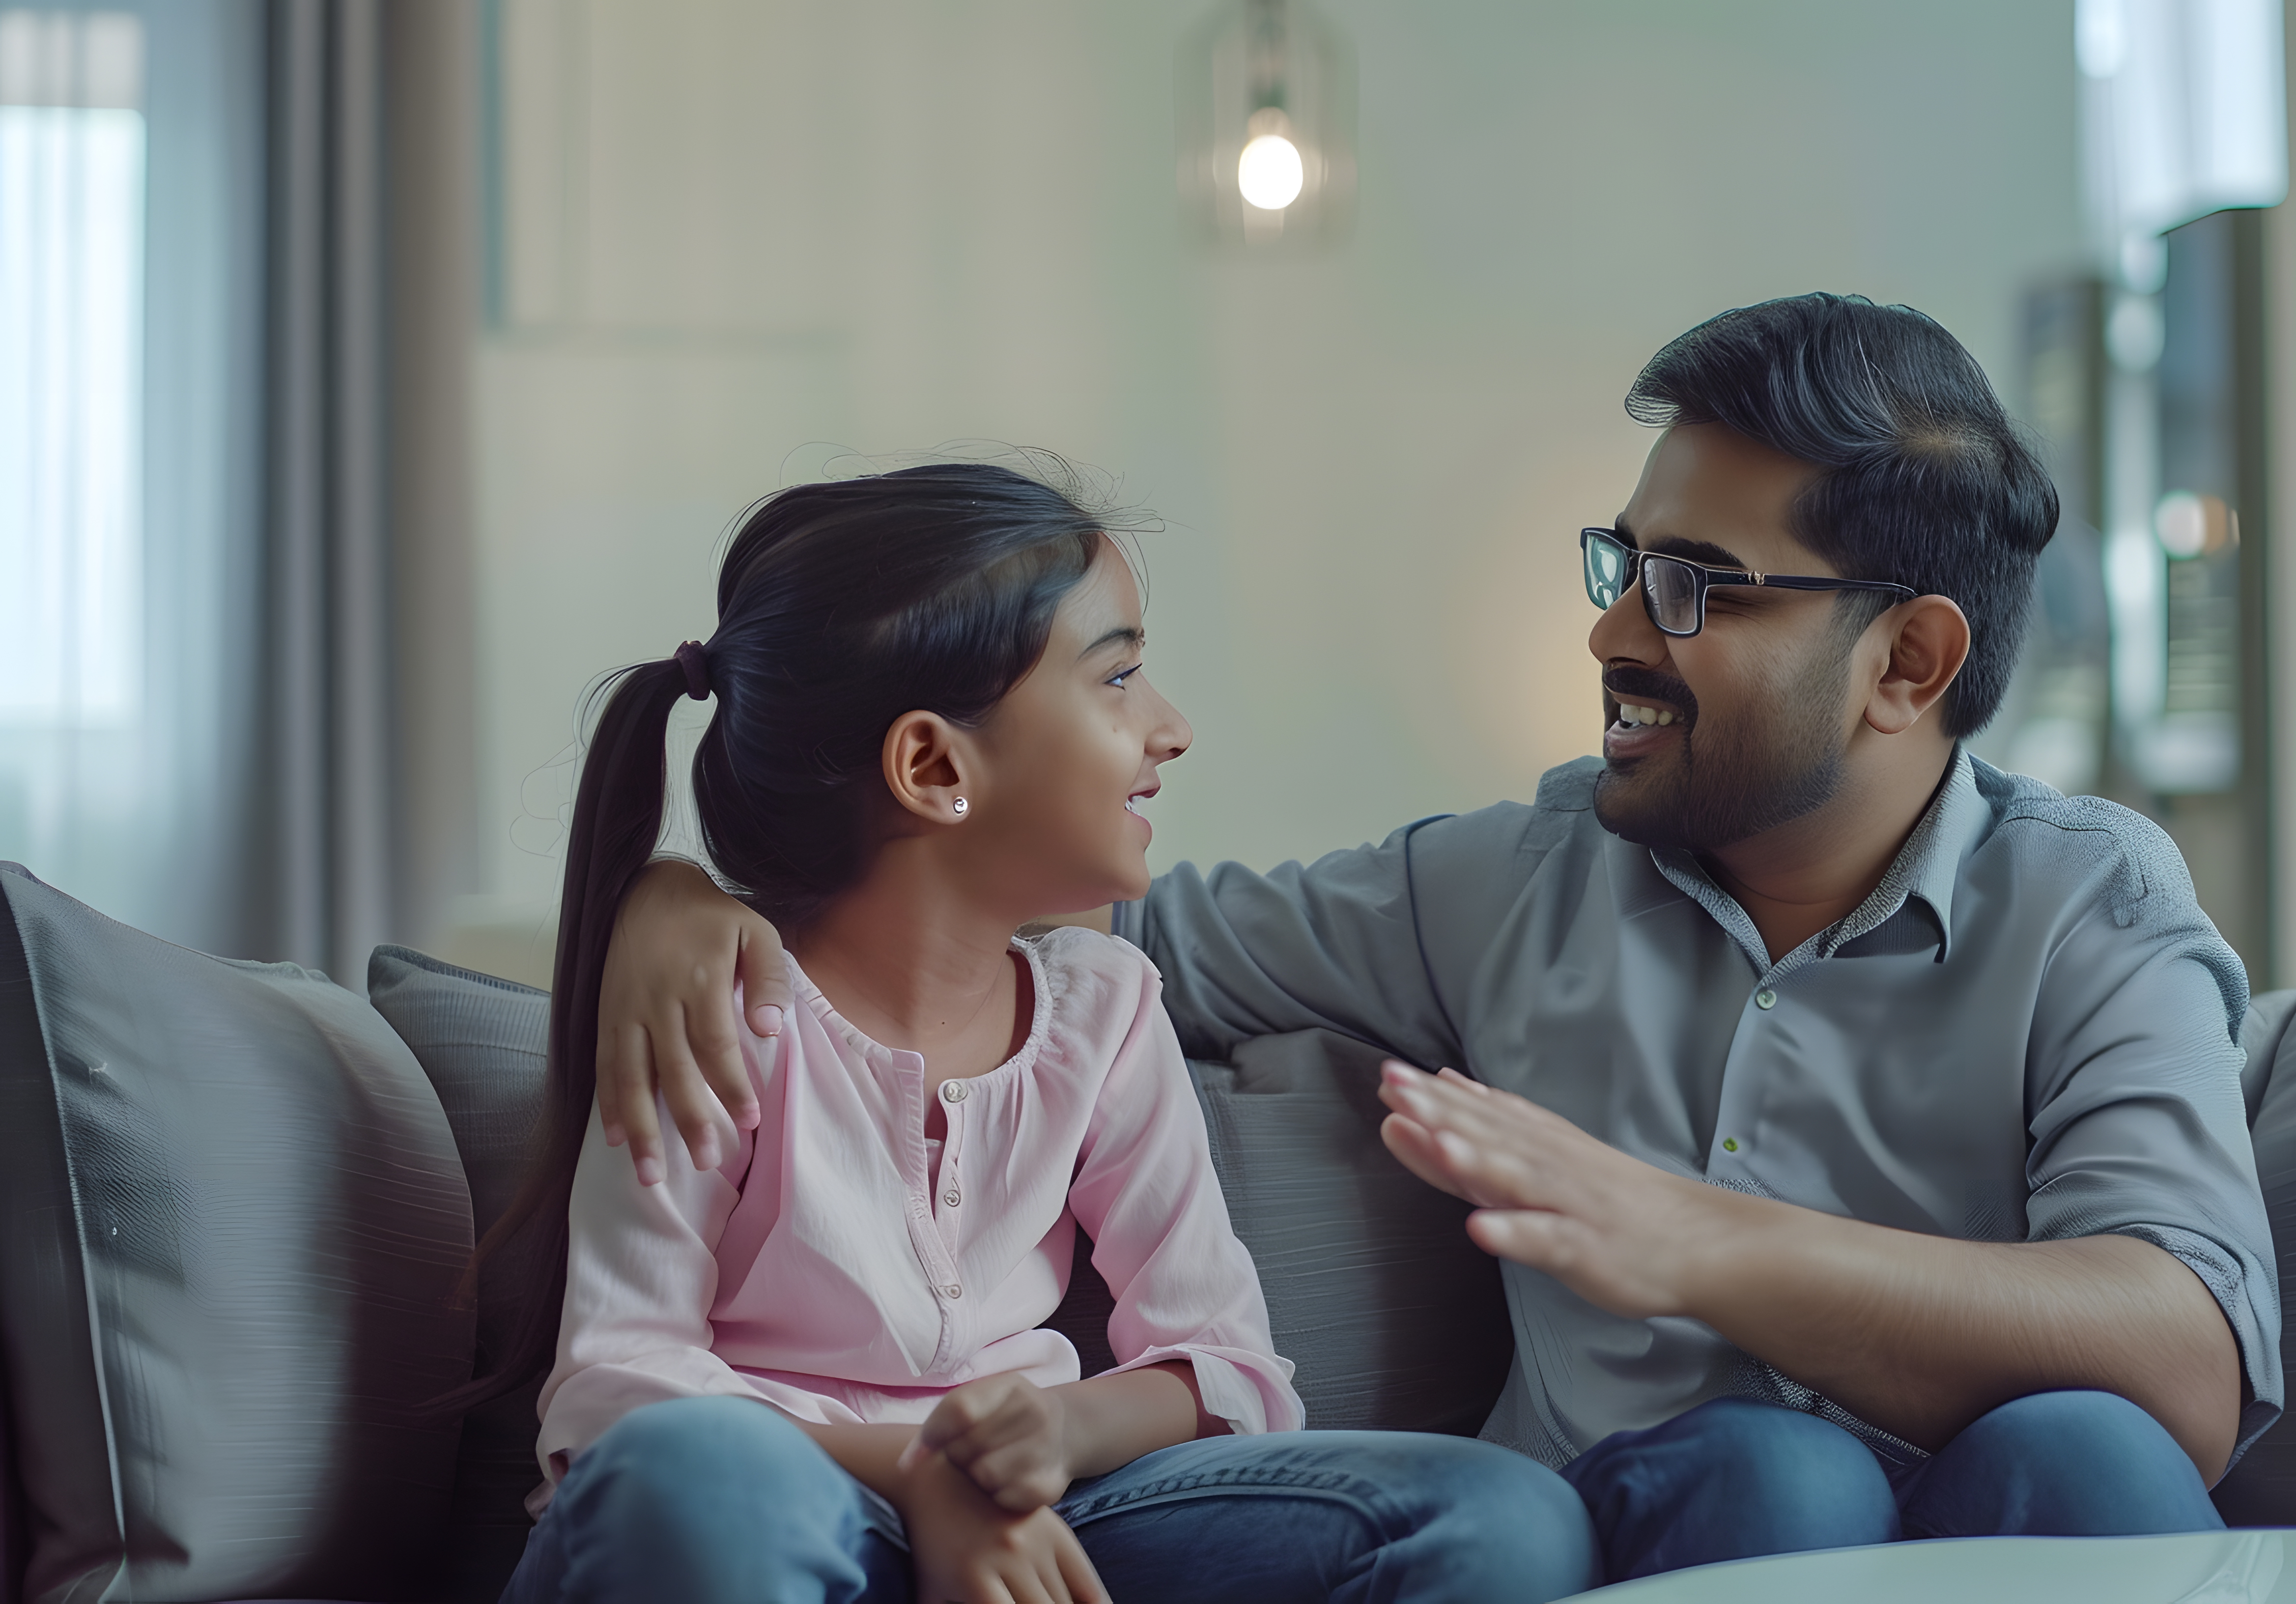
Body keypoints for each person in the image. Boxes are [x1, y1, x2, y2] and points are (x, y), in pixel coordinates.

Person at [598, 296, 2283, 1586]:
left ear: (1908, 664)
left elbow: (2183, 1358)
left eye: (1694, 587)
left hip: (1993, 1525)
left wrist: (1696, 1243)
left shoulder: (2093, 903)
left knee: (2096, 1454)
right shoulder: (1511, 881)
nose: (1613, 634)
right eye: (1624, 565)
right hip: (1665, 1527)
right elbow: (1011, 905)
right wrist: (688, 897)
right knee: (1781, 1470)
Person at [478, 462, 1596, 1604]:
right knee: (691, 1475)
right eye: (1116, 677)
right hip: (767, 1513)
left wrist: (1051, 1435)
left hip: (1036, 1518)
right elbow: (617, 1392)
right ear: (935, 768)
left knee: (1496, 1517)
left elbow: (1230, 1368)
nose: (1171, 729)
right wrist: (919, 1475)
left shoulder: (1103, 1009)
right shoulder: (713, 1008)